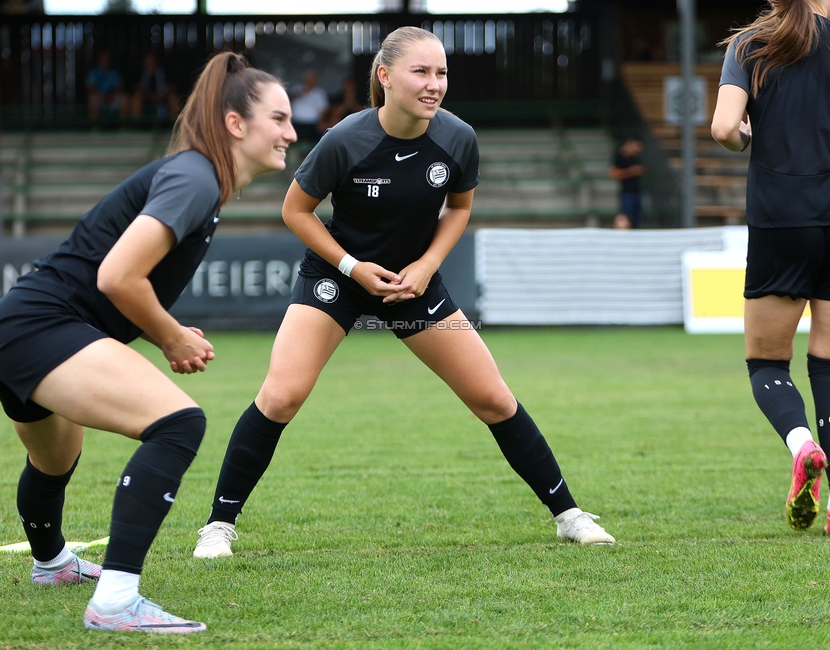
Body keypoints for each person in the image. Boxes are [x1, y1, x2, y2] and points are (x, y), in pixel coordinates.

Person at [193, 26, 615, 560]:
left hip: (415, 285)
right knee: (281, 396)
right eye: (421, 71)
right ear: (385, 76)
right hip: (335, 279)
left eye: (441, 73)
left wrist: (426, 265)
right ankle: (218, 526)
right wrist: (351, 266)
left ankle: (569, 515)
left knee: (493, 398)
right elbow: (294, 211)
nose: (434, 83)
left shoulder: (459, 138)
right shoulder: (345, 139)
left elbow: (459, 208)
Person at [0, 52, 296, 632]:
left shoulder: (198, 180)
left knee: (54, 459)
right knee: (179, 422)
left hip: (17, 329)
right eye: (278, 118)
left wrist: (162, 330)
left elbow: (117, 282)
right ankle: (117, 601)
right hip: (41, 328)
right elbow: (117, 277)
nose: (291, 133)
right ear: (234, 123)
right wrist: (169, 336)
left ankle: (51, 564)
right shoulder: (197, 176)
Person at [711, 0, 830, 536]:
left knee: (767, 365)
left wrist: (751, 138)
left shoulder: (750, 44)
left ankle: (802, 445)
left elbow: (724, 128)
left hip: (781, 219)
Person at [131, 51, 181, 123]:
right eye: (147, 62)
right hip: (147, 99)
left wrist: (161, 95)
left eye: (152, 62)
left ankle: (173, 126)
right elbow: (138, 89)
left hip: (163, 97)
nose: (150, 64)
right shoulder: (140, 73)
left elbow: (172, 87)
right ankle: (137, 126)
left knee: (173, 99)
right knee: (136, 99)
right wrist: (151, 96)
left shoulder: (165, 71)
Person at [607, 137, 645, 228]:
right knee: (626, 218)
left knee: (636, 219)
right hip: (627, 193)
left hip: (636, 192)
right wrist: (632, 171)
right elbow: (613, 173)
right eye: (637, 146)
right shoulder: (619, 156)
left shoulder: (634, 158)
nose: (638, 150)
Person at [86, 51, 129, 122]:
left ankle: (122, 126)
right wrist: (102, 96)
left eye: (106, 60)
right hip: (99, 98)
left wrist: (111, 96)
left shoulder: (115, 72)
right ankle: (95, 126)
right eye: (103, 60)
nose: (105, 61)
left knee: (125, 98)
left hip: (112, 98)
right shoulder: (93, 72)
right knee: (92, 98)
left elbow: (119, 87)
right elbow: (89, 88)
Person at [289, 69, 330, 144]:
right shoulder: (297, 88)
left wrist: (322, 121)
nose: (310, 82)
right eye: (308, 80)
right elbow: (291, 98)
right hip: (296, 122)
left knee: (320, 137)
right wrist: (303, 92)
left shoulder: (320, 93)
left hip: (313, 123)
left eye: (312, 80)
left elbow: (324, 110)